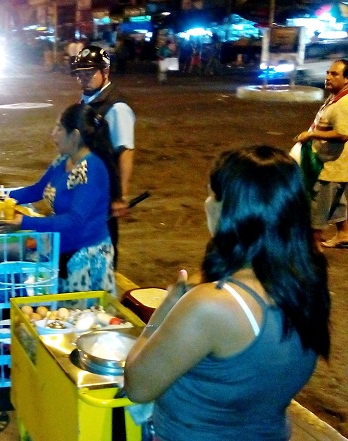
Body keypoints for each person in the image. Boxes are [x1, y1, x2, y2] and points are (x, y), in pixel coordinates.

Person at [124, 145, 331, 441]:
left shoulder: (213, 305)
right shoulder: (307, 285)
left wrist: (165, 310)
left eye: (211, 194)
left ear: (232, 210)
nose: (205, 203)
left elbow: (137, 385)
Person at [0, 103, 116, 295]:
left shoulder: (91, 169)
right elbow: (37, 190)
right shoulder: (63, 161)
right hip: (62, 249)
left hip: (84, 258)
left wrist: (25, 222)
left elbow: (75, 220)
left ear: (75, 135)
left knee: (79, 318)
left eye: (59, 128)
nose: (53, 134)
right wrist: (0, 197)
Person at [72, 45, 135, 266]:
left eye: (89, 73)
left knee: (103, 251)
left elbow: (125, 151)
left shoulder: (116, 108)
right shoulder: (87, 101)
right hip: (85, 189)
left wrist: (120, 196)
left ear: (105, 72)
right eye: (80, 74)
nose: (84, 78)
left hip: (104, 194)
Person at [295, 59, 348, 249]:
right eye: (328, 73)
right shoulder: (337, 97)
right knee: (337, 201)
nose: (328, 77)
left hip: (330, 164)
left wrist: (312, 134)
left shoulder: (343, 104)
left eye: (335, 74)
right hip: (338, 164)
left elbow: (342, 134)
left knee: (319, 203)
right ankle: (344, 234)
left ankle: (314, 246)